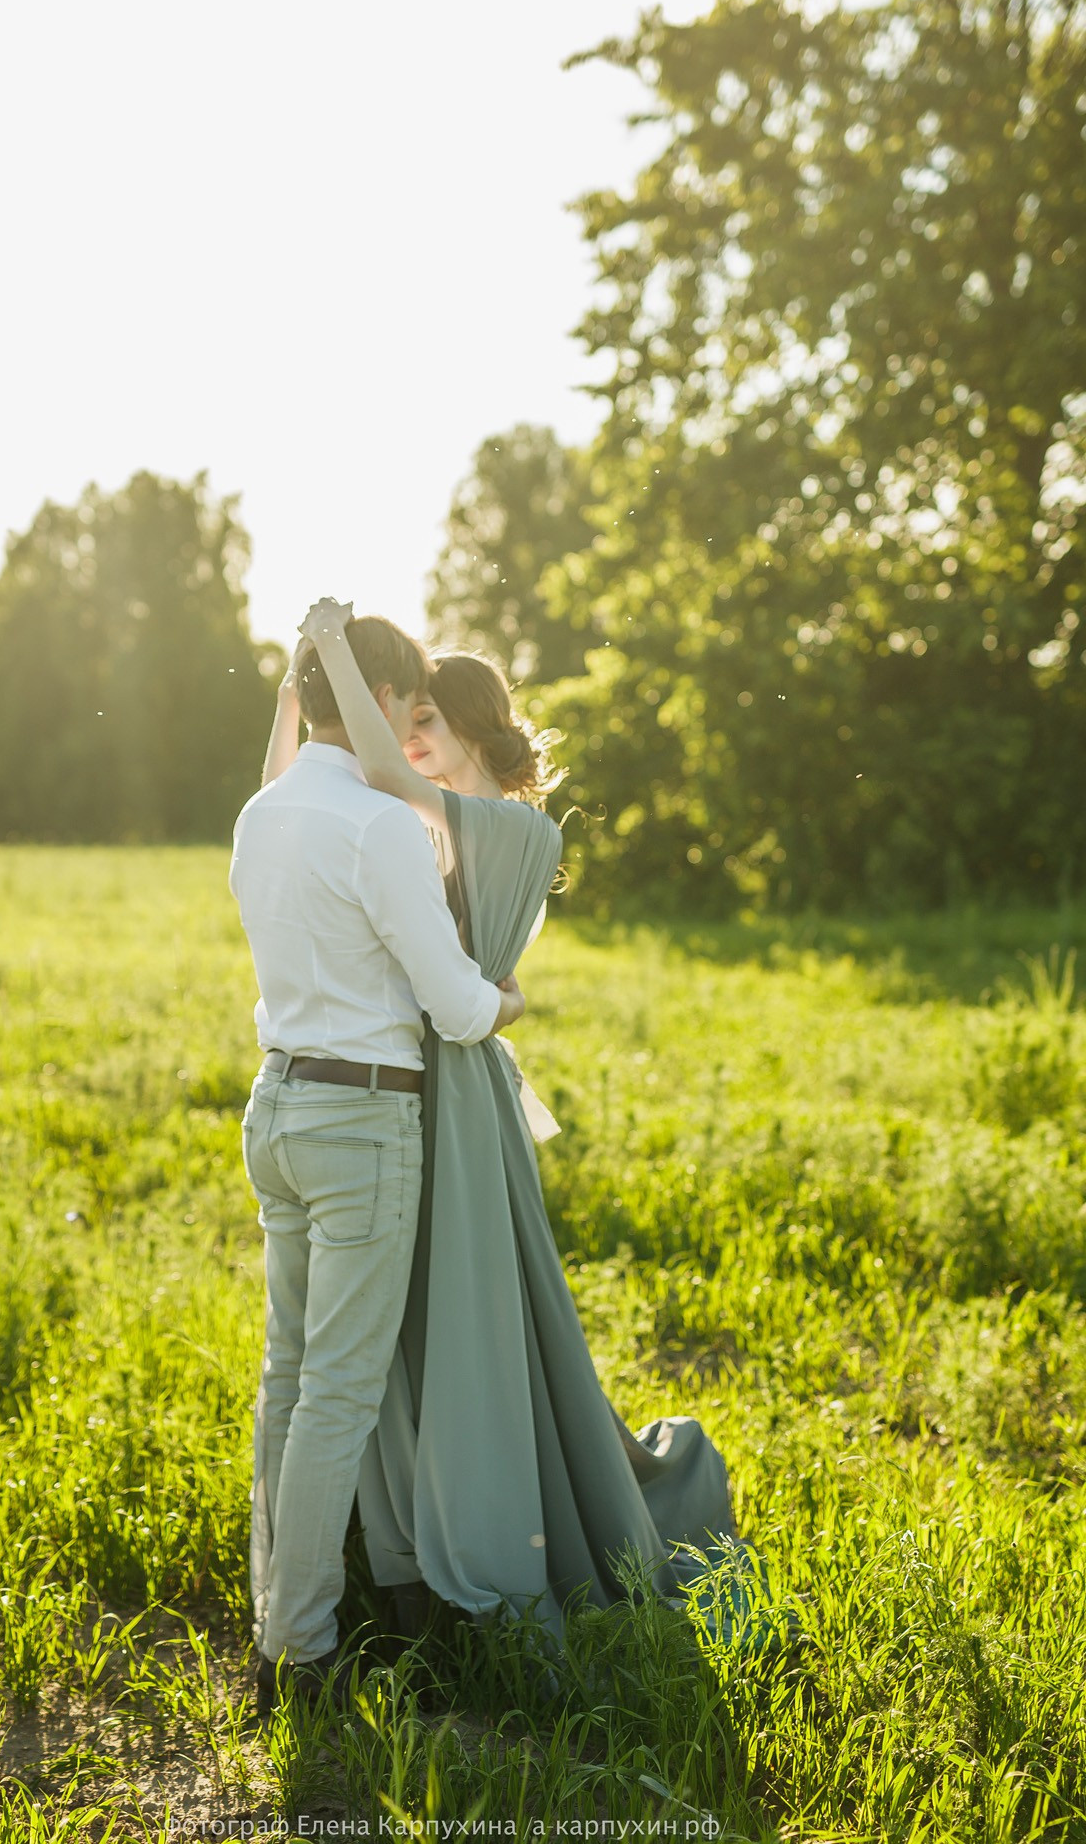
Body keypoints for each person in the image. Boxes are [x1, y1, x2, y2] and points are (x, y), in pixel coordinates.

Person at [294, 598, 745, 1650]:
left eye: (427, 723)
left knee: (466, 1313)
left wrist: (325, 653)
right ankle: (399, 1541)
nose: (408, 741)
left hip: (454, 1094)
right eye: (407, 722)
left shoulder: (504, 827)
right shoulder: (439, 824)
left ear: (472, 727)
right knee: (409, 1314)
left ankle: (482, 1541)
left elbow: (376, 772)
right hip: (429, 1078)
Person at [229, 614, 526, 1717]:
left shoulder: (259, 815)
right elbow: (453, 1009)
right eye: (403, 707)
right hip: (359, 1124)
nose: (406, 728)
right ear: (383, 694)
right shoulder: (378, 827)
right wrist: (503, 998)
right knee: (337, 1396)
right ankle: (297, 1651)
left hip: (275, 1107)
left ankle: (274, 1613)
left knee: (285, 1380)